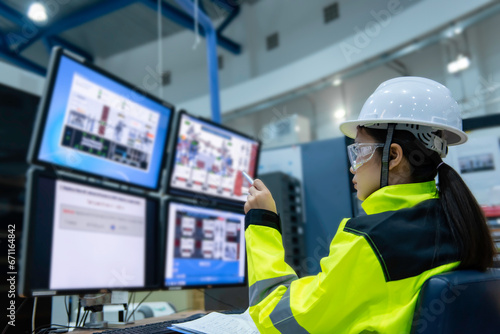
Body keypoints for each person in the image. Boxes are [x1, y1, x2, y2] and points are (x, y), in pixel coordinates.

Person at [243, 77, 496, 333]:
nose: (354, 166)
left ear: (394, 156)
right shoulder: (455, 220)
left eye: (361, 151)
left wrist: (262, 222)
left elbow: (278, 319)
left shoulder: (371, 241)